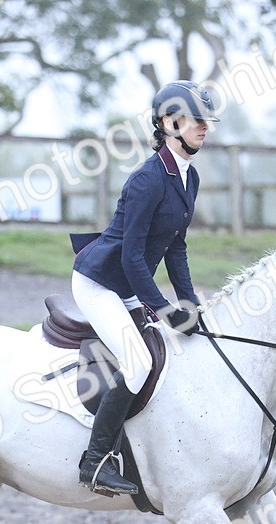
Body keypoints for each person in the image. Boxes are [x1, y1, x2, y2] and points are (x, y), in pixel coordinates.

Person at [70, 80, 218, 496]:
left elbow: (176, 247)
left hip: (128, 282)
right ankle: (95, 462)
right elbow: (132, 256)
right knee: (137, 363)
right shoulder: (147, 180)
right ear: (169, 123)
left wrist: (190, 304)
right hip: (100, 282)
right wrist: (163, 309)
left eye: (206, 121)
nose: (204, 127)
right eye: (195, 120)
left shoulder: (189, 177)